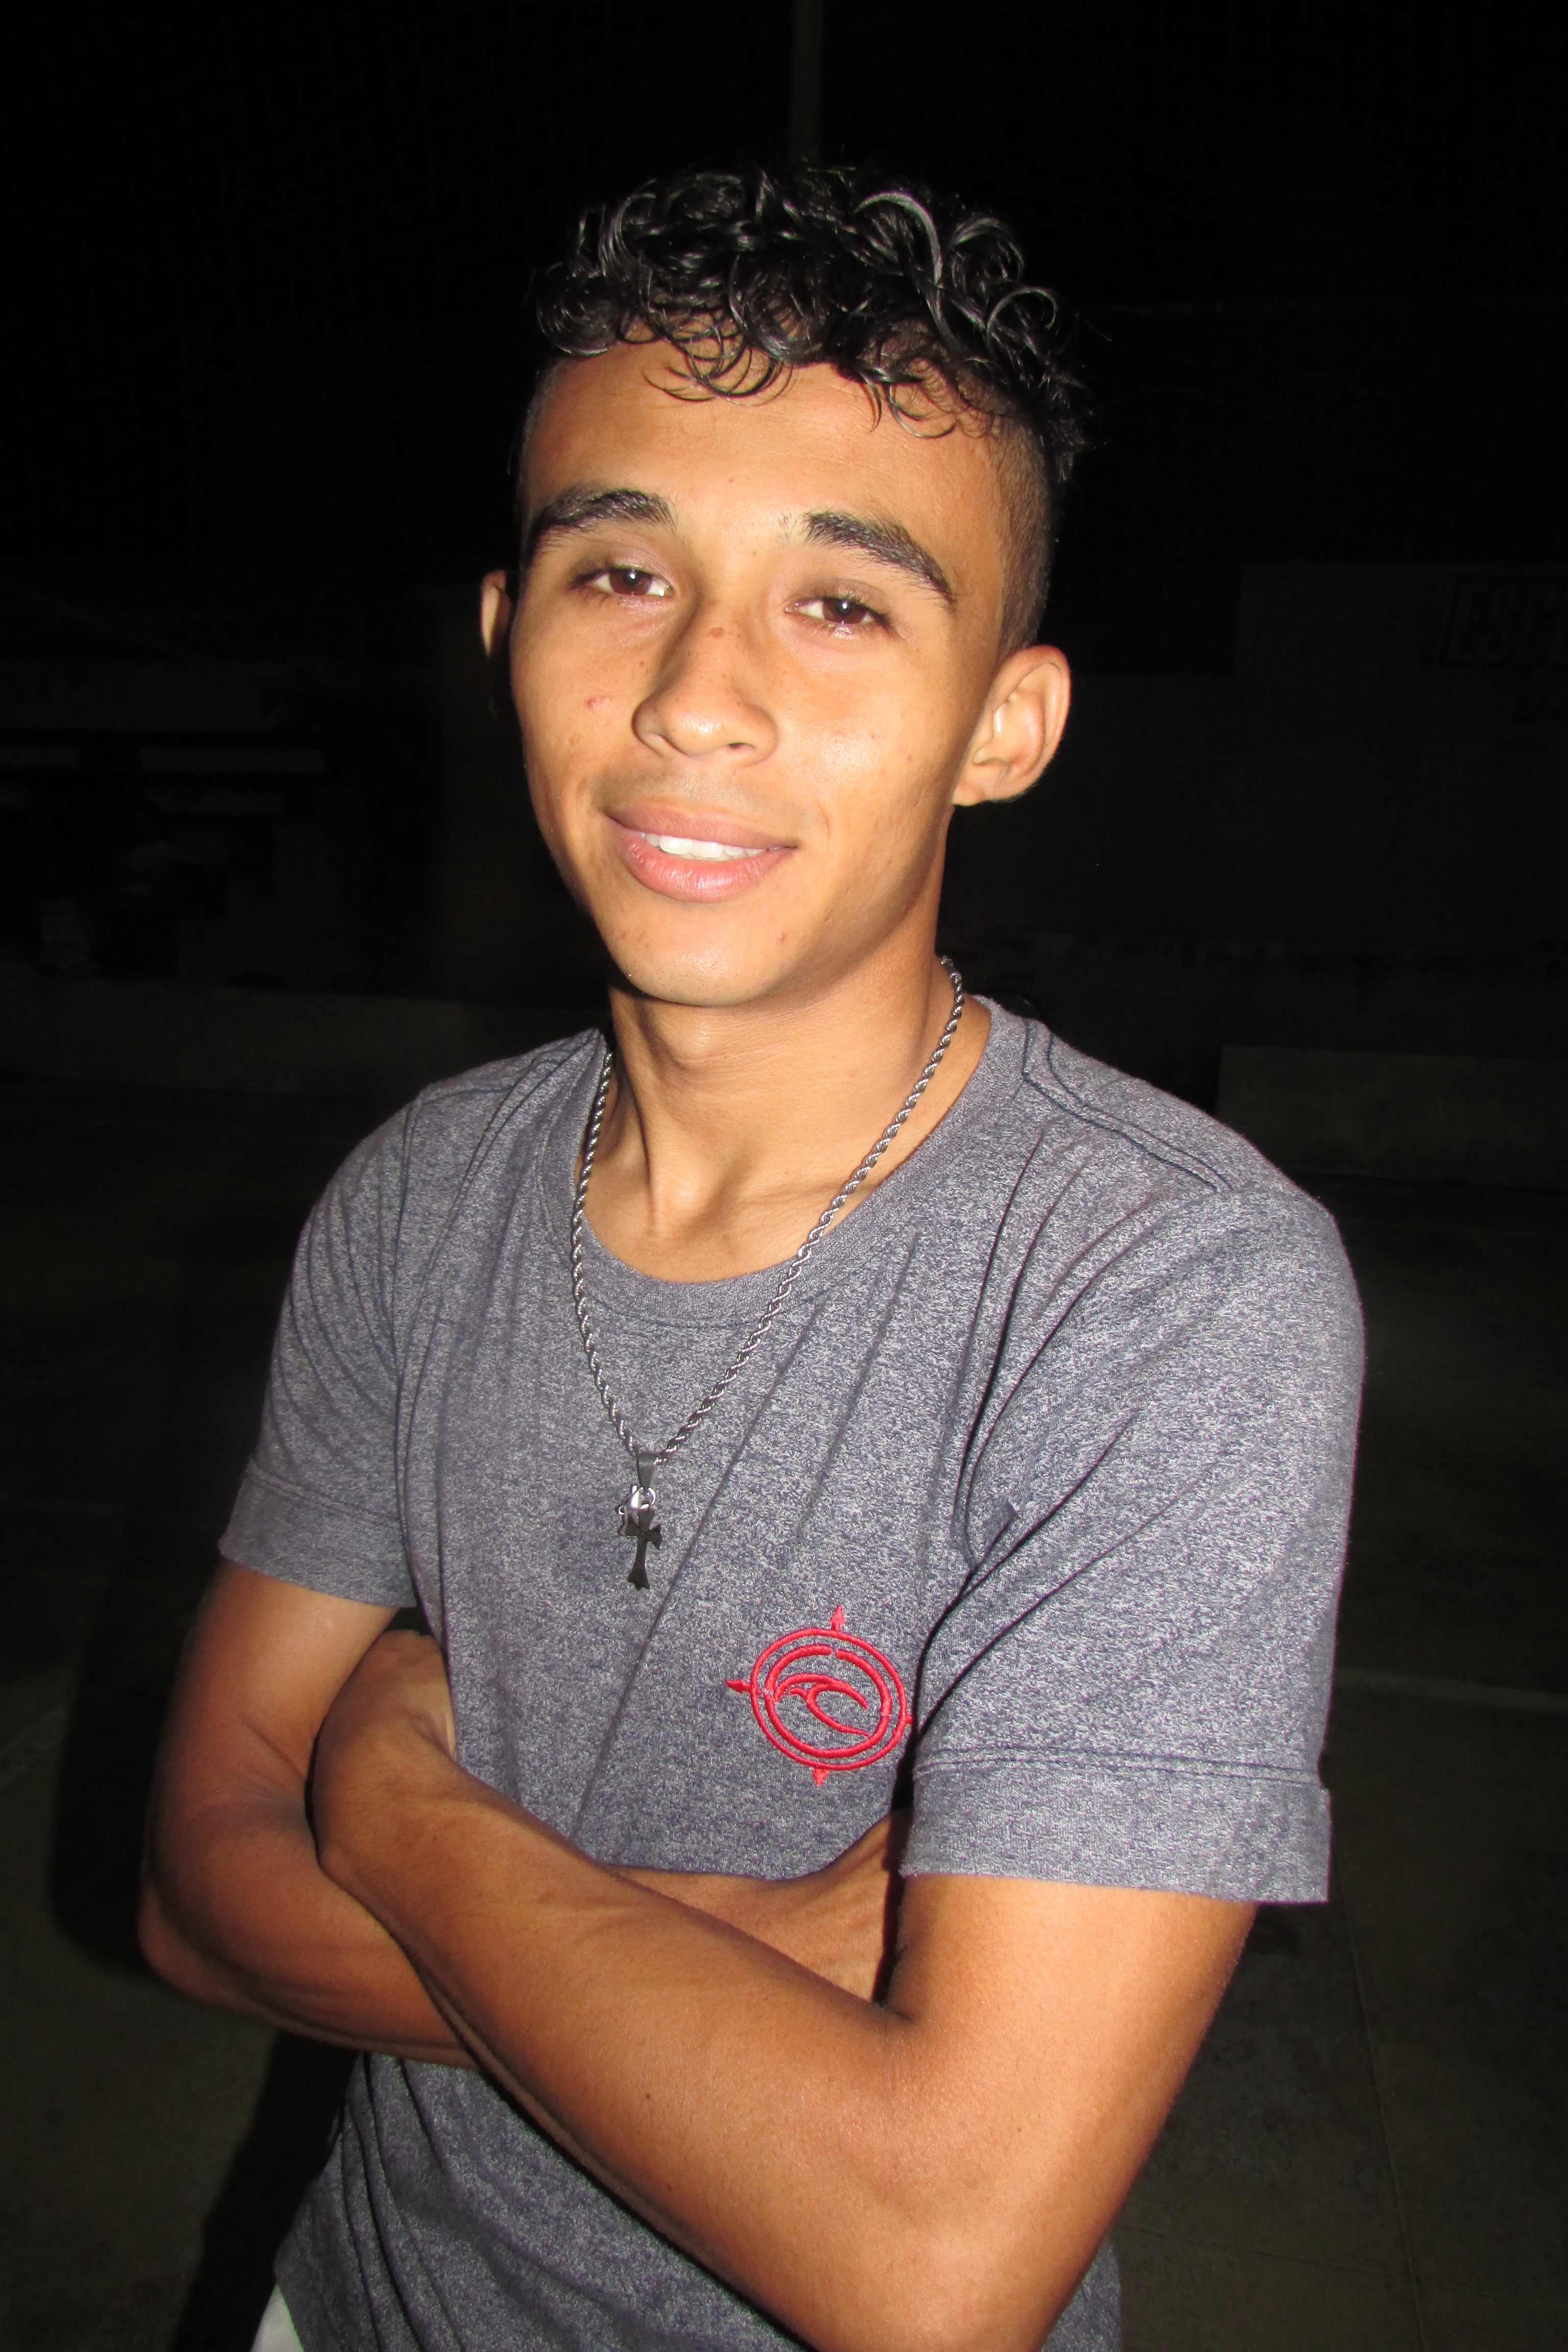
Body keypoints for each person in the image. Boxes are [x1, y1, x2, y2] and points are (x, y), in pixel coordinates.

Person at [140, 164, 1363, 2352]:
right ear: (507, 639)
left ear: (1007, 724)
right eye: (623, 572)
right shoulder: (416, 1198)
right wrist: (748, 1961)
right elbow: (191, 1891)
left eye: (845, 604)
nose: (698, 697)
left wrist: (399, 1807)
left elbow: (931, 2254)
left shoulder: (1169, 1291)